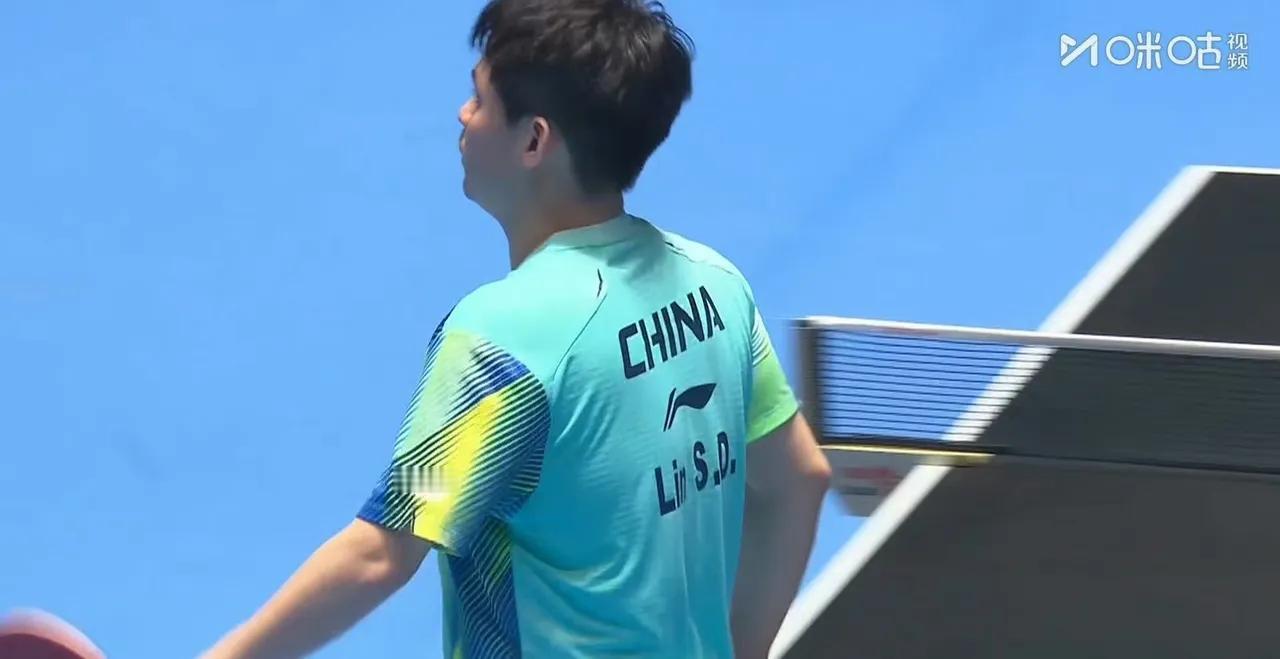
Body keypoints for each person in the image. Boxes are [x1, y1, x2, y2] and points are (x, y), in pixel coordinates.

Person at [201, 1, 830, 657]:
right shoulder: (715, 284)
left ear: (534, 141)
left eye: (479, 100)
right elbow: (800, 479)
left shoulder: (506, 342)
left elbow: (380, 555)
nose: (462, 115)